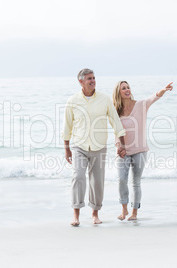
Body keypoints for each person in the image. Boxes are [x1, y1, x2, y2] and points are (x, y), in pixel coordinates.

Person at [62, 68, 126, 226]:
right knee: (78, 177)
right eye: (89, 78)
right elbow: (67, 125)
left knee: (97, 181)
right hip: (79, 145)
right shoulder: (72, 100)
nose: (93, 81)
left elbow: (115, 121)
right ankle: (76, 214)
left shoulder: (104, 99)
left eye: (94, 78)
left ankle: (95, 214)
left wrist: (122, 143)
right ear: (81, 82)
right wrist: (66, 148)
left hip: (99, 146)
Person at [113, 80, 173, 221]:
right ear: (118, 92)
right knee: (121, 179)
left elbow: (153, 97)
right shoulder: (116, 110)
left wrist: (163, 90)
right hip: (123, 151)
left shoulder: (140, 105)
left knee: (136, 182)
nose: (127, 90)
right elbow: (116, 131)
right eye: (123, 88)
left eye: (128, 87)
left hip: (140, 150)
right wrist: (119, 146)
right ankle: (124, 209)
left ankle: (134, 212)